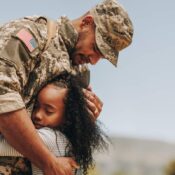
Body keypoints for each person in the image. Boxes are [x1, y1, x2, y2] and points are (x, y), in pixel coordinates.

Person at [0, 0, 133, 174]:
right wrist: (49, 163)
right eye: (95, 48)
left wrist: (85, 120)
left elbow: (67, 141)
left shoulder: (80, 73)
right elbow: (3, 98)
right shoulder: (34, 35)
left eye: (102, 57)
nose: (93, 60)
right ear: (86, 22)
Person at [0, 73, 107, 175]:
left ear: (68, 118)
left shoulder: (51, 138)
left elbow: (3, 147)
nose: (37, 115)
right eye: (36, 107)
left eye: (49, 111)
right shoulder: (69, 141)